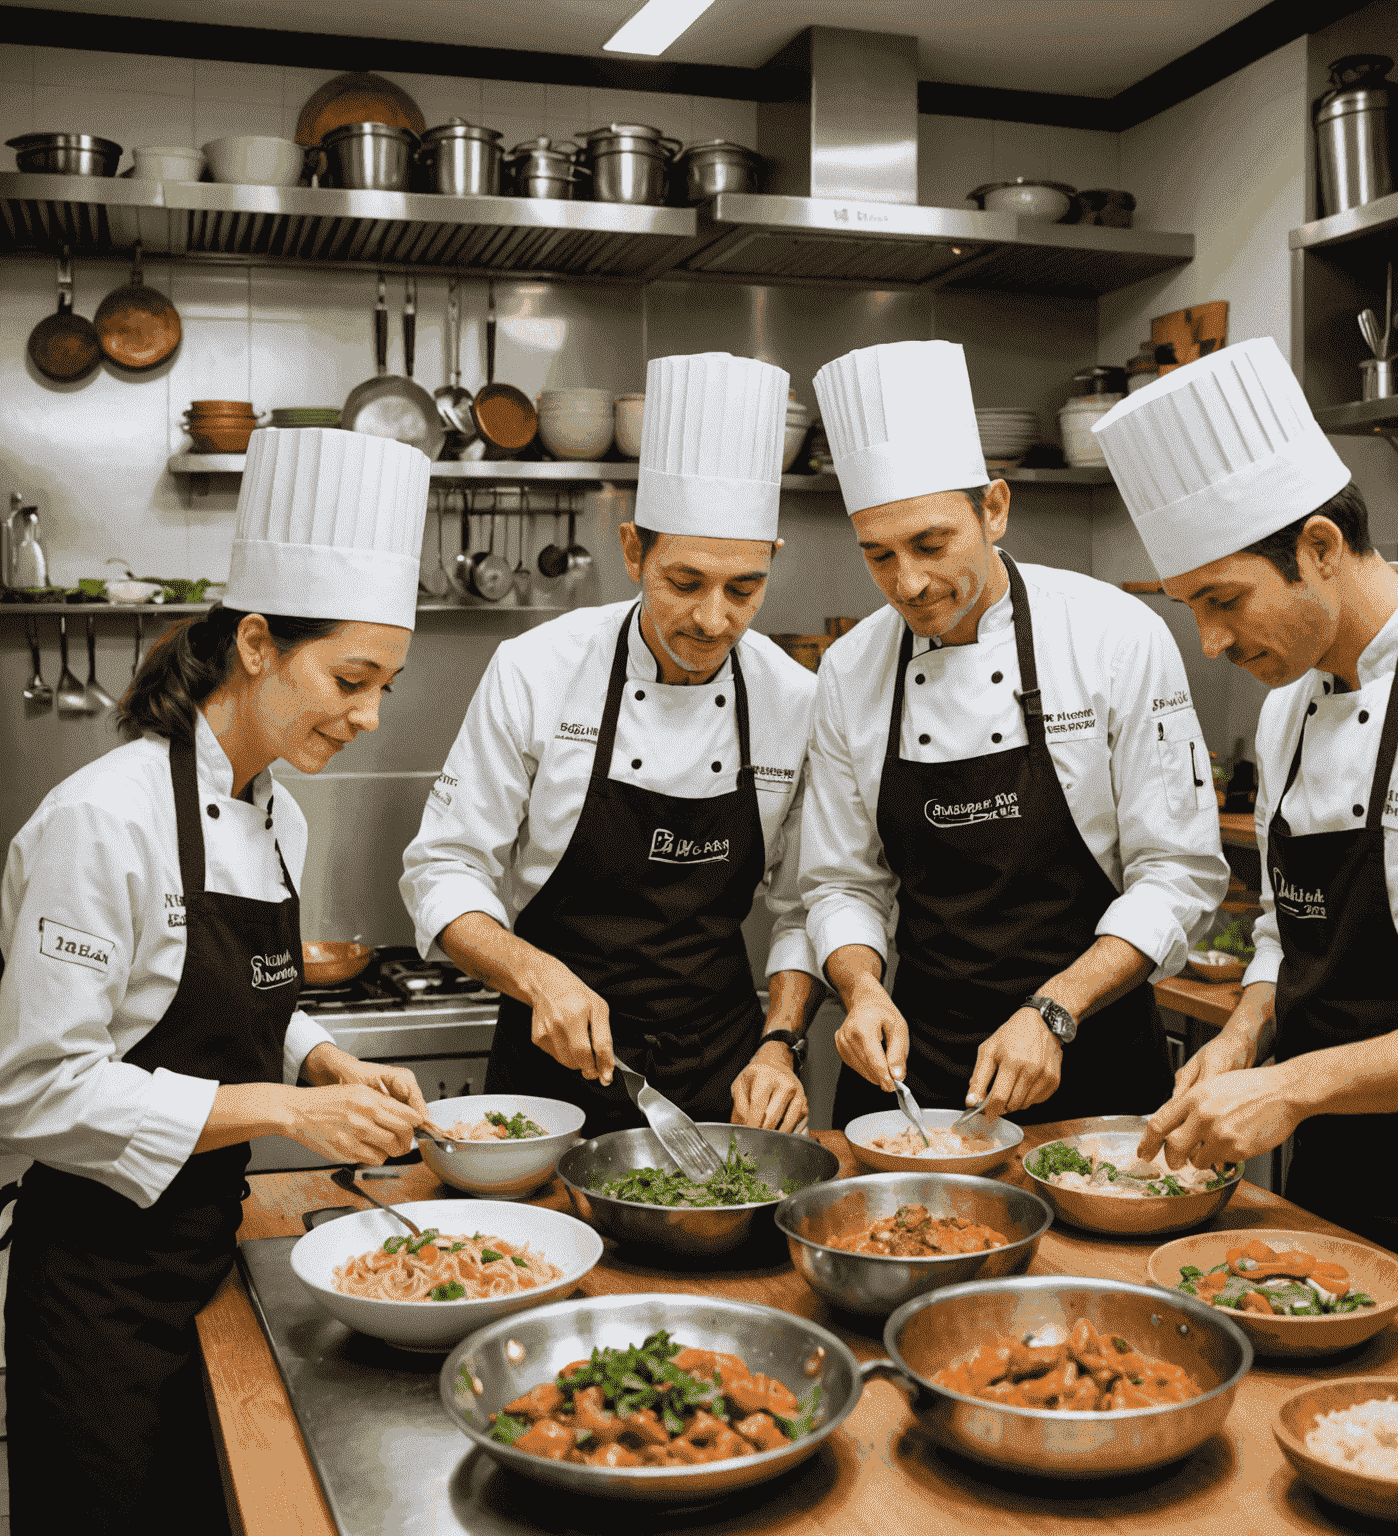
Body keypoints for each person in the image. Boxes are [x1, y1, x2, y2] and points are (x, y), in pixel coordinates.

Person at [0, 428, 435, 1529]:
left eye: (387, 683)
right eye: (350, 678)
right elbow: (36, 1088)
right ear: (255, 642)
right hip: (97, 1287)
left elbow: (214, 998)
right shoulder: (105, 821)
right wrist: (293, 1108)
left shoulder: (270, 806)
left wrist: (320, 1052)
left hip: (207, 1250)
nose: (370, 713)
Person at [1094, 337, 1398, 1314]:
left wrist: (1295, 1088)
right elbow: (1289, 927)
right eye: (1191, 609)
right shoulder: (1293, 696)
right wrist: (1250, 1032)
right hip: (1328, 1180)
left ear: (1321, 550)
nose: (1211, 644)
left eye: (1223, 602)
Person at [801, 340, 1228, 1128]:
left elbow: (1178, 871)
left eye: (932, 545)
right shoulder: (851, 669)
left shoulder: (1113, 637)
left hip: (1091, 1058)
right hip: (912, 1076)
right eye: (879, 555)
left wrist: (1056, 1009)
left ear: (994, 509)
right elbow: (842, 883)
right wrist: (861, 990)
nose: (910, 584)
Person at [401, 353, 823, 1137]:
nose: (711, 620)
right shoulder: (538, 669)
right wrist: (536, 977)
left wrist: (782, 1042)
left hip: (724, 1075)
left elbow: (804, 907)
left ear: (773, 564)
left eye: (743, 590)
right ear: (633, 552)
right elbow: (444, 868)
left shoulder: (794, 700)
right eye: (684, 581)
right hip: (550, 1062)